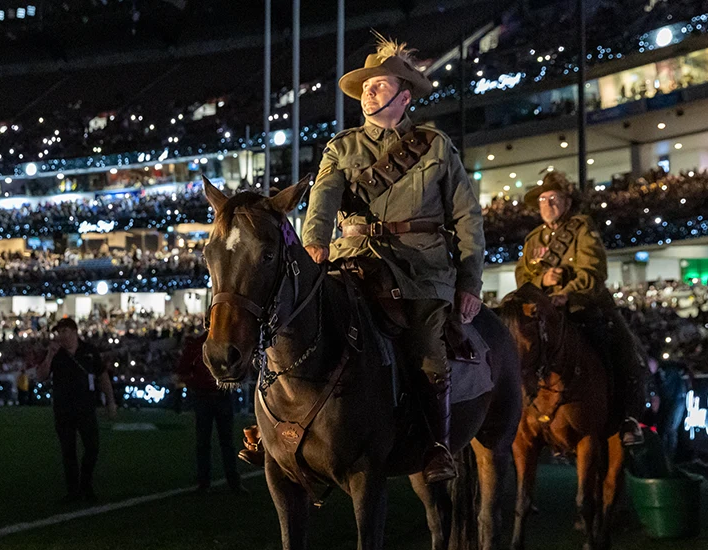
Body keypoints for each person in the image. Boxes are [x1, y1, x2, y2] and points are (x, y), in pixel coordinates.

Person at [253, 33, 483, 485]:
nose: (367, 95)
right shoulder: (343, 148)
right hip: (354, 257)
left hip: (421, 269)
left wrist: (470, 281)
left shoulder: (435, 146)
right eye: (364, 89)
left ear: (404, 94)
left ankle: (437, 445)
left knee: (427, 350)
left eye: (378, 87)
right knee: (289, 325)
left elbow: (466, 216)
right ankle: (268, 426)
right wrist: (314, 240)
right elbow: (323, 197)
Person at [515, 170, 647, 445]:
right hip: (544, 315)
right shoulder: (533, 241)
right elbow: (523, 280)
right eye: (543, 200)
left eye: (554, 199)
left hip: (583, 309)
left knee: (626, 352)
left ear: (566, 203)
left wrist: (566, 292)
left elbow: (593, 271)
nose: (548, 205)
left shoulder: (582, 229)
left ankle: (627, 418)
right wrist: (543, 279)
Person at [37, 317, 117, 503]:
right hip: (63, 408)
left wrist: (110, 401)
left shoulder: (89, 352)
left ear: (74, 332)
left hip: (86, 407)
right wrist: (49, 356)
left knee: (92, 447)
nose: (61, 336)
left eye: (64, 331)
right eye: (59, 332)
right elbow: (41, 376)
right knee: (68, 451)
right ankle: (73, 491)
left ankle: (86, 485)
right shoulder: (56, 354)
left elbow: (102, 375)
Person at [175, 330, 247, 494]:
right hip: (209, 397)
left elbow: (182, 371)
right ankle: (221, 482)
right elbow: (182, 371)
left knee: (213, 442)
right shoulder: (200, 345)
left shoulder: (200, 344)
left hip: (213, 397)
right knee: (216, 442)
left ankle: (210, 482)